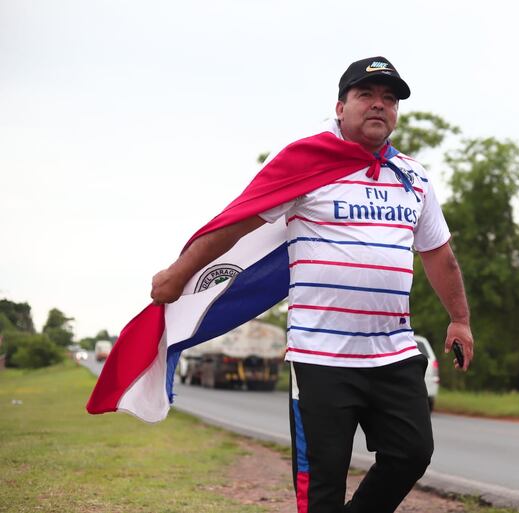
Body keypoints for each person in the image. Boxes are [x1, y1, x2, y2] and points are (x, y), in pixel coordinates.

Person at [150, 56, 473, 513]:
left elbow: (439, 254)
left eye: (389, 99)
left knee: (412, 453)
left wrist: (459, 319)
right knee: (322, 481)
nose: (379, 106)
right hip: (321, 356)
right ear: (340, 107)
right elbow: (239, 220)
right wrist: (178, 273)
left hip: (392, 352)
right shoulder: (306, 162)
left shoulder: (414, 177)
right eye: (366, 95)